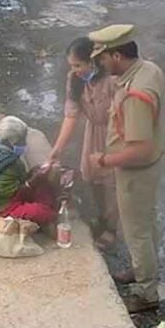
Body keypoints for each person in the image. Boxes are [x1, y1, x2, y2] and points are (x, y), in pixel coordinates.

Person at [86, 24, 165, 314]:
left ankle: (146, 293)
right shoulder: (148, 69)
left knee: (137, 231)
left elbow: (139, 148)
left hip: (137, 170)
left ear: (117, 56)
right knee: (146, 222)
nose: (101, 65)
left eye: (103, 59)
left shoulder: (135, 94)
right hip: (151, 164)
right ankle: (141, 268)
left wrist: (104, 161)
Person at [49, 37, 120, 250]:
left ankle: (111, 229)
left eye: (78, 65)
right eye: (72, 65)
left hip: (116, 133)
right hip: (94, 132)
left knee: (112, 183)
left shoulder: (112, 80)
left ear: (93, 62)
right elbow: (71, 116)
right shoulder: (75, 80)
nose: (75, 70)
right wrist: (57, 149)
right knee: (92, 177)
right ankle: (102, 217)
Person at [0, 116, 58, 241]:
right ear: (10, 142)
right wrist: (33, 180)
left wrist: (35, 175)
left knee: (42, 185)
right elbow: (13, 194)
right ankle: (44, 220)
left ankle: (43, 215)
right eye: (22, 141)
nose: (24, 145)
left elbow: (18, 183)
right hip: (2, 209)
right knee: (46, 212)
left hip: (9, 199)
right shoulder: (5, 163)